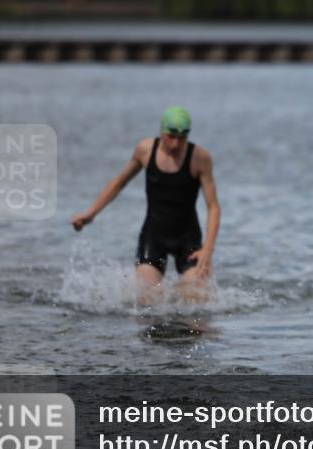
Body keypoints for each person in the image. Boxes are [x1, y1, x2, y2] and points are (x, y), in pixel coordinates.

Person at [71, 106, 221, 305]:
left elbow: (213, 207)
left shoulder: (200, 158)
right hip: (154, 237)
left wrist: (208, 251)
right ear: (161, 131)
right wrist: (91, 214)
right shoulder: (145, 150)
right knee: (148, 300)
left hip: (188, 239)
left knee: (195, 297)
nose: (176, 144)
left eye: (182, 137)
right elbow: (120, 181)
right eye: (171, 136)